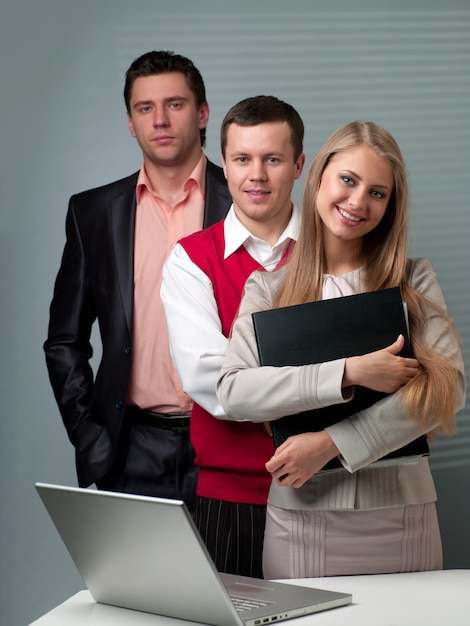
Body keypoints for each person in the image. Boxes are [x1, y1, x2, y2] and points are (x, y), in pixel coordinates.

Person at [217, 121, 466, 578]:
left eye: (378, 193)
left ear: (391, 206)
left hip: (403, 517)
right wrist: (347, 373)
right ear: (317, 177)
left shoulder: (415, 280)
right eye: (348, 181)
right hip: (300, 519)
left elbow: (447, 391)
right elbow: (233, 391)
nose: (357, 202)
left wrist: (330, 444)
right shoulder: (267, 288)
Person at [44, 51, 231, 513]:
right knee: (139, 588)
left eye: (176, 104)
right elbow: (64, 340)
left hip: (228, 441)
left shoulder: (243, 203)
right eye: (145, 108)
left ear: (203, 112)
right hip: (130, 448)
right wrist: (91, 435)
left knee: (237, 584)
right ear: (130, 122)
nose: (160, 120)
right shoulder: (93, 213)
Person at [161, 95, 305, 577]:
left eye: (273, 159)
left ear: (299, 165)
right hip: (232, 497)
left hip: (334, 491)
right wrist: (325, 385)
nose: (257, 175)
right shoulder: (190, 260)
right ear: (226, 164)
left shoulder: (339, 251)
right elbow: (213, 380)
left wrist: (261, 387)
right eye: (243, 159)